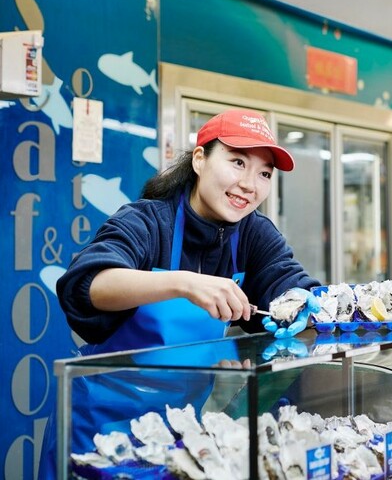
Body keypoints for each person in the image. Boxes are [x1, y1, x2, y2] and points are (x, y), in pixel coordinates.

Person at [44, 109, 320, 478]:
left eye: (264, 173)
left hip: (179, 432)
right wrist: (184, 282)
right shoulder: (147, 220)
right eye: (237, 162)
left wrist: (310, 305)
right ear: (200, 159)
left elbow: (288, 283)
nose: (249, 184)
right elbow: (89, 285)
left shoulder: (253, 234)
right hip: (98, 429)